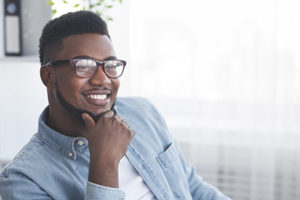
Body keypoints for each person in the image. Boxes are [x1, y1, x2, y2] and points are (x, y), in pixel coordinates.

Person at [0, 11, 231, 200]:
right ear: (48, 76)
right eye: (84, 65)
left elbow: (191, 186)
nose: (102, 79)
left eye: (110, 65)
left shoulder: (143, 113)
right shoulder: (23, 181)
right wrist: (104, 163)